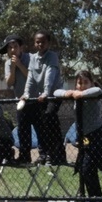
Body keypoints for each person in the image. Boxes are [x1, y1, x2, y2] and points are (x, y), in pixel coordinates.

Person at [54, 70, 102, 202]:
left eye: (86, 82)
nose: (82, 85)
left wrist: (80, 94)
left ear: (91, 82)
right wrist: (68, 93)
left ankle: (97, 198)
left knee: (88, 166)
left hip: (96, 136)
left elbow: (97, 90)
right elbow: (55, 92)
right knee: (85, 167)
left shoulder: (94, 93)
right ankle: (96, 198)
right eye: (79, 83)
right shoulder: (75, 95)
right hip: (84, 137)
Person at [19, 30, 66, 165]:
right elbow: (30, 78)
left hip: (54, 94)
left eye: (43, 42)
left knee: (49, 115)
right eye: (37, 42)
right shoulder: (32, 58)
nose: (40, 44)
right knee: (43, 124)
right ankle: (46, 154)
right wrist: (26, 93)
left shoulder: (52, 56)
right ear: (34, 43)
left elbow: (49, 75)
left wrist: (46, 91)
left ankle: (57, 153)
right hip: (43, 96)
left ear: (48, 43)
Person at [1, 34, 32, 163]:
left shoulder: (30, 58)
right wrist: (13, 67)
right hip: (20, 101)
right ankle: (24, 156)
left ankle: (45, 154)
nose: (12, 50)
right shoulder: (8, 63)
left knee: (41, 127)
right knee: (23, 129)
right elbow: (9, 83)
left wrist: (19, 64)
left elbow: (32, 77)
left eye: (15, 47)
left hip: (34, 98)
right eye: (10, 48)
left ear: (21, 48)